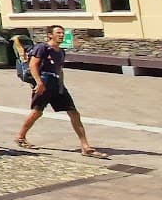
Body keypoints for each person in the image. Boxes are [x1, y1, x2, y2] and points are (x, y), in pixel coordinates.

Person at [16, 25, 107, 158]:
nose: (61, 35)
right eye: (58, 33)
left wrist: (61, 85)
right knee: (37, 112)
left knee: (74, 113)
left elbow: (59, 69)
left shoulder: (60, 52)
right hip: (45, 82)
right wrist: (39, 82)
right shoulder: (42, 48)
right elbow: (33, 65)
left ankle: (85, 147)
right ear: (50, 35)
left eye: (62, 33)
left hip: (57, 84)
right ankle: (20, 137)